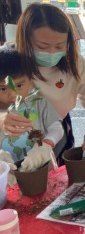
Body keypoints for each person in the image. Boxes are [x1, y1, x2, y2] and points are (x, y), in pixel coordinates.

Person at [0, 3, 85, 162]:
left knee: (57, 175)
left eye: (60, 46)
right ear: (25, 39)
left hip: (57, 130)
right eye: (42, 46)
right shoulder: (10, 58)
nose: (52, 52)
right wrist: (3, 118)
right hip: (13, 136)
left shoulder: (74, 62)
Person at [0, 45, 62, 175]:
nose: (12, 94)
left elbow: (56, 128)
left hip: (44, 172)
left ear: (31, 80)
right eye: (3, 88)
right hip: (10, 177)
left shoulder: (39, 102)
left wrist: (46, 145)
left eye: (19, 85)